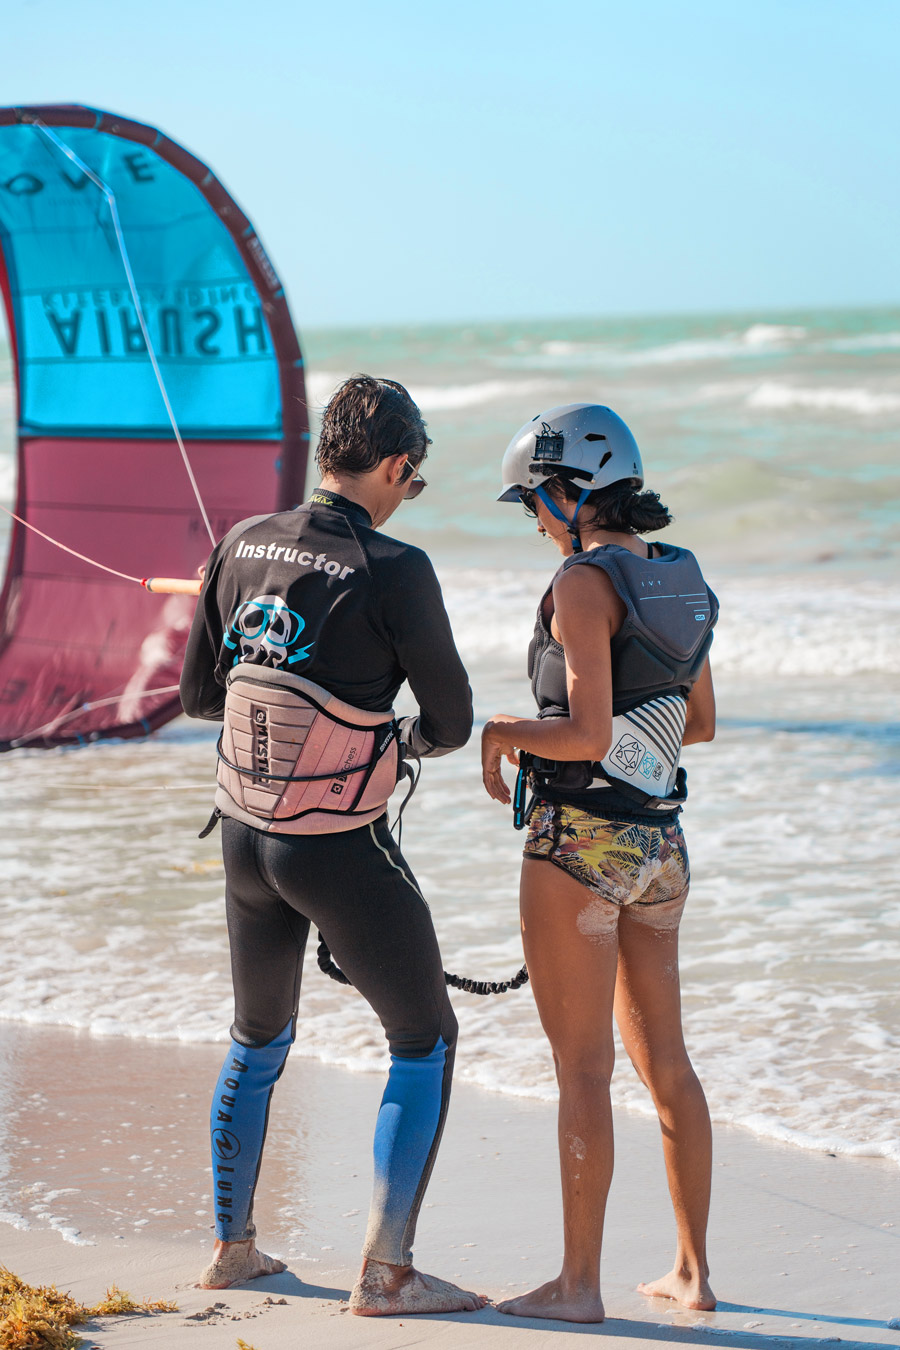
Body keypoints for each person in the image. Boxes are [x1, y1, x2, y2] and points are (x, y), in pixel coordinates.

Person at [180, 375, 485, 1317]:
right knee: (425, 1038)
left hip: (243, 841)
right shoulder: (398, 569)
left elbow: (199, 699)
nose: (409, 494)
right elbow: (453, 719)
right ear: (396, 465)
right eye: (415, 479)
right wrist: (392, 739)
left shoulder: (235, 544)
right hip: (336, 848)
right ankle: (387, 1274)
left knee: (257, 1037)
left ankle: (233, 1247)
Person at [481, 403, 718, 1323]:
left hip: (580, 847)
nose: (536, 521)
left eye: (536, 503)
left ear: (571, 491)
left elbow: (581, 734)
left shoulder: (583, 582)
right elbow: (697, 724)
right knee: (672, 1069)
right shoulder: (684, 575)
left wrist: (502, 731)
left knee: (583, 1070)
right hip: (661, 848)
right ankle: (694, 1274)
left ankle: (579, 1288)